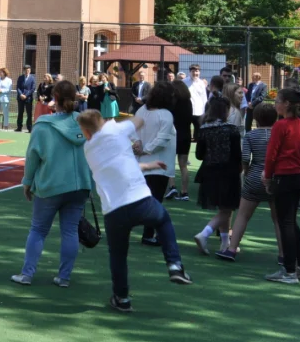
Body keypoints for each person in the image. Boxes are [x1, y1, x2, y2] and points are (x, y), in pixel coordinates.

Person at [78, 109, 193, 313]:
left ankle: (122, 298)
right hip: (139, 199)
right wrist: (137, 116)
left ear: (86, 133)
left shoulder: (88, 148)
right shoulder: (115, 130)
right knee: (163, 220)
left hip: (114, 210)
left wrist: (147, 166)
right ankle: (175, 265)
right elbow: (139, 120)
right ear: (102, 122)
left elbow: (119, 164)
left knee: (118, 255)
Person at [12, 80, 92, 287]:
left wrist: (27, 182)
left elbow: (32, 157)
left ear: (54, 98)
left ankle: (27, 274)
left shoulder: (43, 125)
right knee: (70, 231)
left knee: (38, 229)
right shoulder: (84, 122)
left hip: (50, 185)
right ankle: (64, 277)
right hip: (79, 185)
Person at [262, 88, 300, 283]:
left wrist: (267, 176)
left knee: (286, 223)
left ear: (286, 104)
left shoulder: (281, 125)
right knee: (290, 221)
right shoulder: (299, 124)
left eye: (278, 101)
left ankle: (290, 270)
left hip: (286, 175)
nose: (275, 105)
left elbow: (271, 154)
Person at [222, 103, 282, 261]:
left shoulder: (251, 136)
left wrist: (247, 171)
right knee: (279, 219)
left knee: (242, 215)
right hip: (276, 178)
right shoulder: (279, 134)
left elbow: (245, 158)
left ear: (256, 118)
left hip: (255, 177)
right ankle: (283, 254)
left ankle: (232, 249)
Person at [192, 95, 242, 256]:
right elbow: (237, 155)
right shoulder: (232, 130)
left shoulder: (204, 129)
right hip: (228, 173)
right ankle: (204, 233)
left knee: (224, 208)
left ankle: (225, 243)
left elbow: (199, 155)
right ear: (225, 111)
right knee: (227, 209)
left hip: (209, 172)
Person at [133, 82, 177, 245]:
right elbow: (162, 140)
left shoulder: (142, 110)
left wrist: (137, 143)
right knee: (155, 201)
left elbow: (133, 129)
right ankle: (148, 234)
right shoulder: (165, 115)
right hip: (159, 164)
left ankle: (148, 232)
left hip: (144, 164)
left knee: (148, 200)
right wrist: (145, 149)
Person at [166, 77, 194, 202]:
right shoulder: (188, 102)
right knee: (183, 165)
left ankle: (172, 186)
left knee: (169, 162)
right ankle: (184, 191)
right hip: (186, 134)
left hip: (173, 134)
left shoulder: (172, 102)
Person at [187, 64, 208, 139]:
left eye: (197, 71)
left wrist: (205, 111)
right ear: (190, 72)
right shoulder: (184, 82)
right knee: (186, 132)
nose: (195, 73)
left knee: (199, 132)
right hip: (187, 111)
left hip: (199, 111)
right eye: (193, 71)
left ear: (199, 72)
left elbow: (204, 97)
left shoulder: (202, 83)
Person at [16, 65, 36, 132]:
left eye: (28, 70)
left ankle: (29, 128)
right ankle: (19, 127)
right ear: (24, 70)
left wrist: (26, 95)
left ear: (30, 70)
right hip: (20, 98)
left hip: (28, 99)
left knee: (29, 113)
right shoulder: (20, 77)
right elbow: (18, 87)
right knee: (20, 113)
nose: (27, 71)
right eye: (26, 70)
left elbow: (32, 89)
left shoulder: (32, 78)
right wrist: (21, 94)